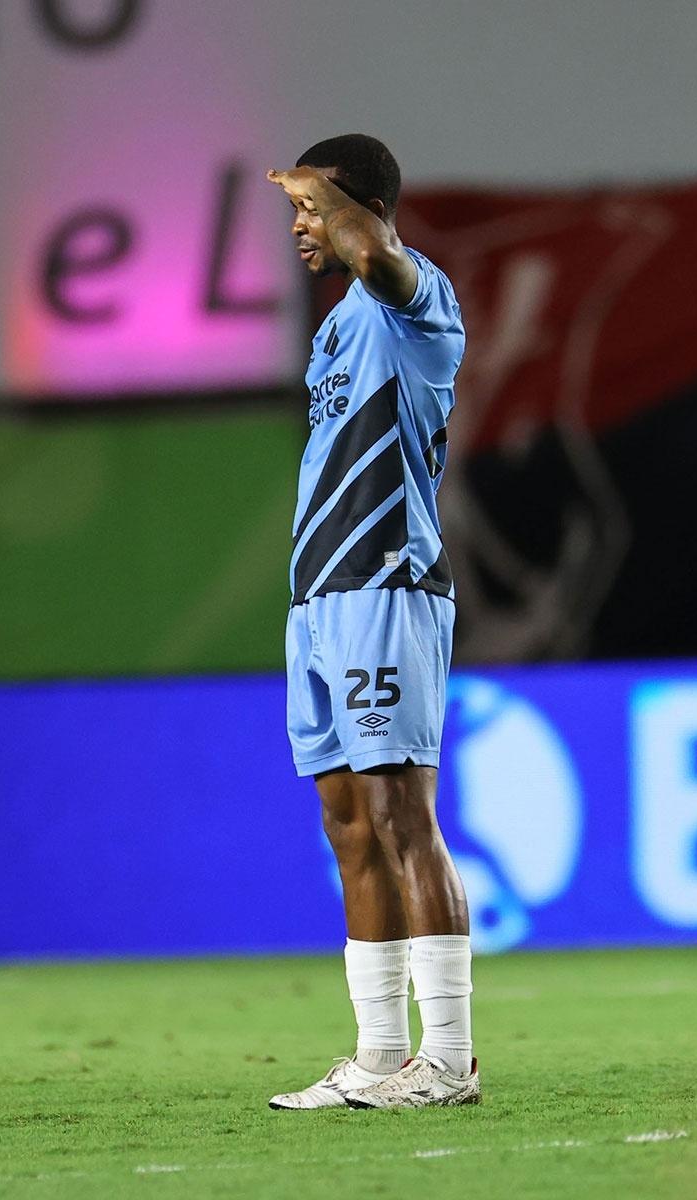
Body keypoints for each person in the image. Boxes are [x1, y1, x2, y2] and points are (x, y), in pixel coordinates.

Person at [265, 134, 477, 1110]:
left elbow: (379, 257)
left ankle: (450, 1061)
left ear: (353, 206)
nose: (298, 229)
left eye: (310, 209)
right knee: (350, 829)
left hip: (387, 586)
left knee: (403, 820)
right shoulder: (339, 329)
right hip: (320, 605)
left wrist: (346, 213)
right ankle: (381, 1057)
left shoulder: (410, 300)